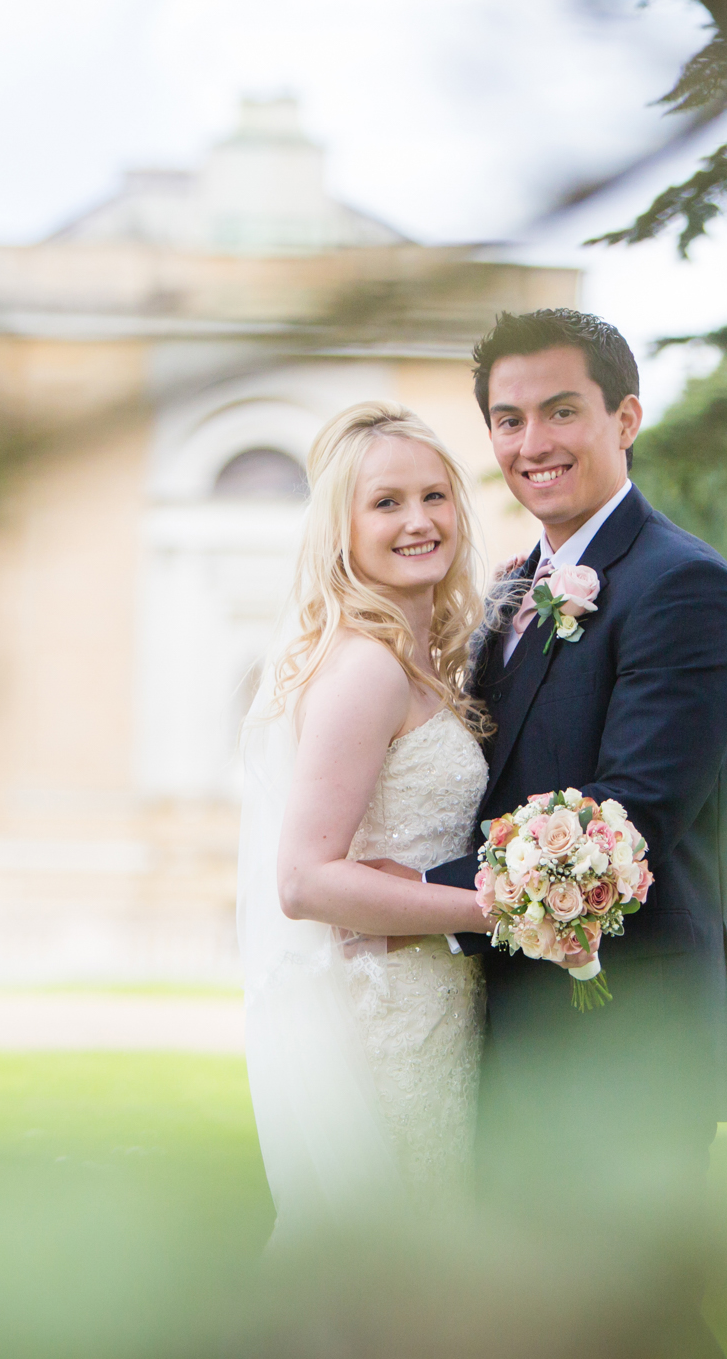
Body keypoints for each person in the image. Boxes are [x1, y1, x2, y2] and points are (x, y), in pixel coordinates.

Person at [425, 308, 727, 1354]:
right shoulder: (511, 587)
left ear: (626, 415)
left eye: (562, 410)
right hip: (518, 1019)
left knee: (635, 1318)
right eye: (509, 418)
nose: (534, 443)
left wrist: (404, 892)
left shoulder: (684, 585)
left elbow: (626, 822)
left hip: (627, 1031)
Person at [236, 402, 500, 1245]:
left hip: (435, 1000)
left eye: (435, 495)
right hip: (388, 1021)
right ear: (341, 529)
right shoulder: (366, 670)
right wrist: (495, 906)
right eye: (386, 503)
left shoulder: (424, 659)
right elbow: (304, 881)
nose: (419, 521)